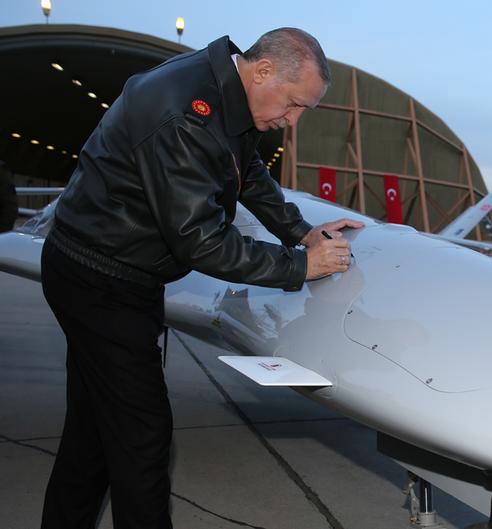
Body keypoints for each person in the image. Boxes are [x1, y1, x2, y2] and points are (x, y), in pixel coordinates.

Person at [40, 28, 362, 529]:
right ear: (262, 71)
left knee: (96, 433)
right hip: (100, 279)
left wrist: (300, 231)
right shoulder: (185, 115)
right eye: (295, 105)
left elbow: (246, 170)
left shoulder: (227, 93)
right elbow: (201, 240)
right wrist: (302, 266)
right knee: (142, 439)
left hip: (114, 271)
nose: (292, 122)